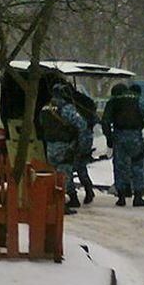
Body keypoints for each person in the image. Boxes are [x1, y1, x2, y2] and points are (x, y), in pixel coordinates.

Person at [102, 83, 144, 207]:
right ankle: (138, 197)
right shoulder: (139, 100)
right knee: (137, 166)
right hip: (135, 136)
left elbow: (105, 121)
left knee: (120, 167)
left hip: (119, 136)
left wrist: (109, 138)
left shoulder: (114, 102)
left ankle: (121, 197)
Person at [39, 84, 87, 215]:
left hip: (50, 146)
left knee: (56, 175)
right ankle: (61, 205)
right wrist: (81, 143)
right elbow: (82, 124)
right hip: (64, 146)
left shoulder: (44, 108)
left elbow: (41, 124)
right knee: (63, 175)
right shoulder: (66, 108)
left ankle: (71, 198)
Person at [66, 85, 98, 205]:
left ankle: (72, 197)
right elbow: (94, 119)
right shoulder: (84, 101)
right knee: (80, 166)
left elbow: (79, 124)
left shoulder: (68, 106)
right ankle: (89, 190)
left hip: (75, 139)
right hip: (86, 137)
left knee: (67, 167)